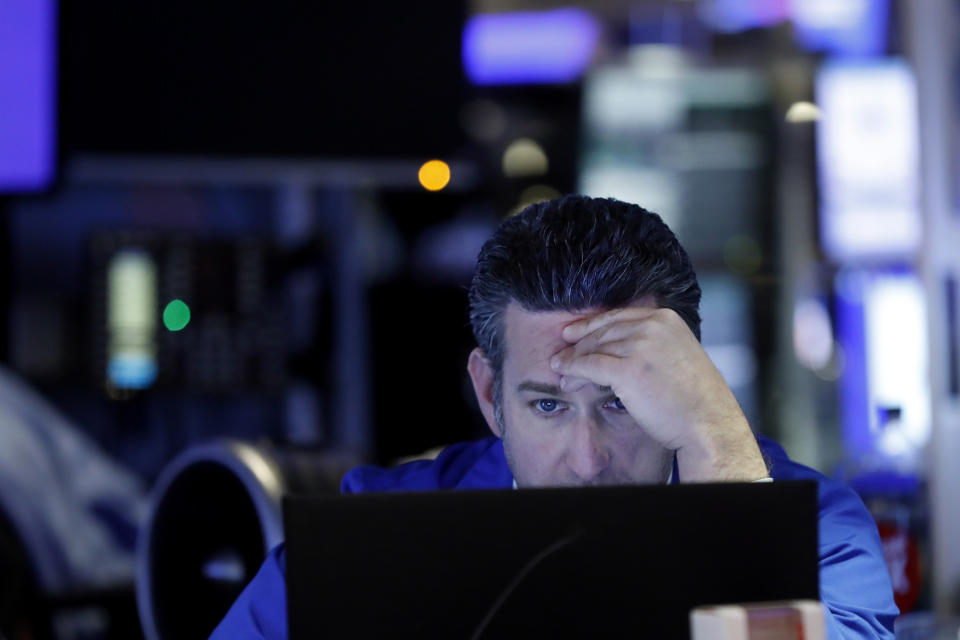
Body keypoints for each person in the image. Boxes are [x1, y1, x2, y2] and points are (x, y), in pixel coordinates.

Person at [210, 195, 898, 639]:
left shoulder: (820, 534)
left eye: (623, 403)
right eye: (547, 404)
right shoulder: (373, 540)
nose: (587, 460)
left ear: (690, 385)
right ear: (489, 395)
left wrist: (715, 438)